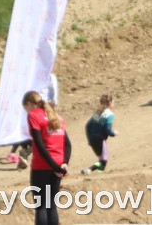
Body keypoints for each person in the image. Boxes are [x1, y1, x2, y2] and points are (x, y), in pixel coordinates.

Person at [23, 90, 70, 225]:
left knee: (41, 206)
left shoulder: (33, 115)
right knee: (51, 205)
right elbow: (68, 144)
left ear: (29, 104)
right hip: (59, 165)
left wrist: (53, 166)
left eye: (26, 108)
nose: (26, 111)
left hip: (42, 166)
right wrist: (63, 164)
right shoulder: (56, 116)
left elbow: (39, 144)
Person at [81, 94, 117, 174]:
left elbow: (88, 126)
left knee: (102, 161)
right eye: (113, 101)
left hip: (92, 139)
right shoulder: (109, 114)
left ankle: (98, 174)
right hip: (100, 139)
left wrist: (89, 139)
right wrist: (114, 133)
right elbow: (107, 130)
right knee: (103, 161)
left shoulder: (98, 113)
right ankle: (89, 170)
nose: (114, 103)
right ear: (110, 103)